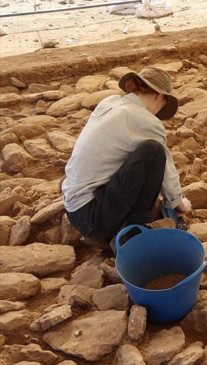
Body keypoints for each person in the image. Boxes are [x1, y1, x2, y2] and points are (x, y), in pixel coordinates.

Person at [62, 67, 191, 250]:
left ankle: (115, 229)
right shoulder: (146, 121)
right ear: (160, 96)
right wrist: (178, 202)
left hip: (74, 209)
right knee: (153, 151)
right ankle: (133, 233)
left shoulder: (110, 102)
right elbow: (166, 171)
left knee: (131, 153)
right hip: (94, 218)